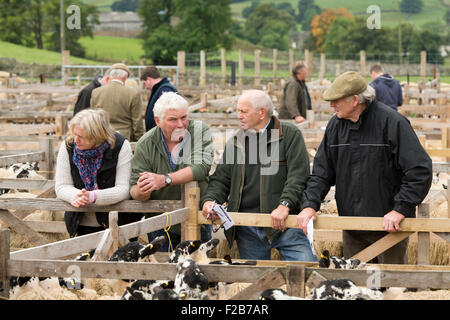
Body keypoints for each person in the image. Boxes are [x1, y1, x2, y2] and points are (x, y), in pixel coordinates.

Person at [297, 71, 432, 264]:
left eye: (336, 100)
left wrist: (401, 209)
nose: (331, 105)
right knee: (358, 288)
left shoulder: (392, 122)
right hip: (352, 227)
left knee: (390, 286)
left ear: (354, 100)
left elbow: (420, 170)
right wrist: (310, 205)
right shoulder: (335, 126)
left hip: (390, 227)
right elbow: (321, 172)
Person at [202, 89, 316, 262]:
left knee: (306, 271)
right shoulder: (236, 141)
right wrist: (210, 200)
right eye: (238, 110)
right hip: (248, 226)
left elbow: (298, 176)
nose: (239, 115)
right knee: (257, 282)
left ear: (261, 113)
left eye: (243, 111)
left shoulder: (289, 135)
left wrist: (285, 204)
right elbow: (221, 179)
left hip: (286, 223)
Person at [130, 91, 213, 251]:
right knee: (162, 272)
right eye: (173, 120)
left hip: (197, 219)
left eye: (184, 117)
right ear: (158, 121)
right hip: (160, 223)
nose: (180, 124)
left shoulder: (199, 131)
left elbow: (201, 168)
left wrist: (163, 180)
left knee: (197, 270)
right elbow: (134, 188)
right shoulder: (146, 143)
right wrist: (143, 190)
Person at [55, 109, 141, 237]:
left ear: (97, 136)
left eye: (82, 137)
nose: (76, 140)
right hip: (80, 222)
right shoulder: (68, 146)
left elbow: (123, 188)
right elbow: (62, 186)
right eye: (75, 134)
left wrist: (93, 196)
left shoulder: (120, 145)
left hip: (117, 223)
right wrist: (77, 195)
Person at [91, 63, 144, 142]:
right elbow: (137, 122)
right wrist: (138, 140)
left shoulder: (96, 92)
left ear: (111, 76)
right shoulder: (132, 94)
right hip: (124, 138)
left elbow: (93, 118)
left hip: (102, 137)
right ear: (125, 77)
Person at [140, 65, 178, 132]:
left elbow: (169, 115)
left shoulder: (165, 90)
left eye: (144, 83)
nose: (145, 87)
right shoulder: (159, 90)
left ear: (148, 80)